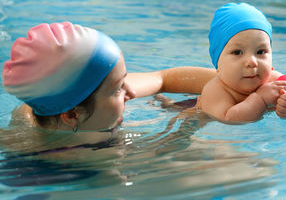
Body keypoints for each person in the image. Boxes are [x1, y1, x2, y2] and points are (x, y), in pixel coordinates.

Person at [2, 22, 216, 133]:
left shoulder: (57, 97)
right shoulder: (56, 158)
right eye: (118, 89)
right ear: (71, 115)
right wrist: (189, 123)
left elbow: (164, 78)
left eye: (124, 80)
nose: (131, 92)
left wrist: (236, 84)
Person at [198, 3, 286, 123]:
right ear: (218, 65)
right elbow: (229, 119)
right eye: (238, 52)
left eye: (260, 51)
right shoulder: (216, 90)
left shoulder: (275, 82)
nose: (252, 62)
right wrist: (260, 99)